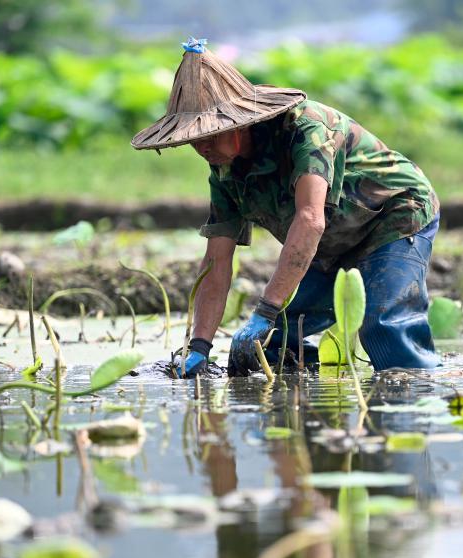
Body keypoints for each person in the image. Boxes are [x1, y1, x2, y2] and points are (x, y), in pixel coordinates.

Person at [131, 38, 440, 377]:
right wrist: (200, 347)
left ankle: (414, 395)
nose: (201, 147)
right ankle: (298, 407)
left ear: (239, 123)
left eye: (210, 135)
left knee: (382, 323)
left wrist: (265, 309)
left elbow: (310, 219)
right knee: (274, 341)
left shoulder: (306, 130)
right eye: (194, 139)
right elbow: (216, 261)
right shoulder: (224, 170)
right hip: (329, 244)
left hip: (392, 214)